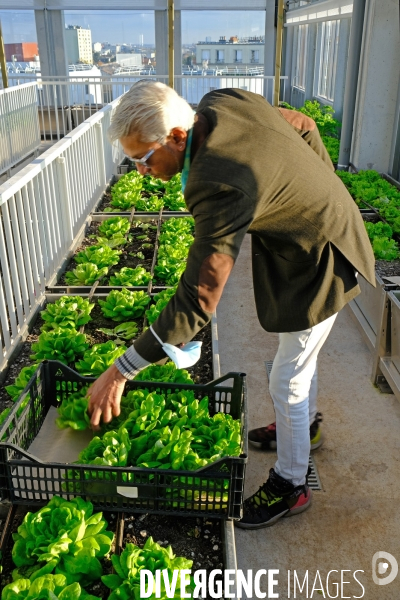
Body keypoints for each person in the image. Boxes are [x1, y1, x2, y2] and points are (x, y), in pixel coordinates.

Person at [87, 81, 375, 529]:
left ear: (178, 137)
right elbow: (303, 125)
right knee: (296, 356)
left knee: (287, 379)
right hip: (309, 236)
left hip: (324, 254)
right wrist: (312, 186)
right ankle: (303, 429)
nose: (140, 171)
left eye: (143, 159)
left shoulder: (216, 183)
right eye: (133, 162)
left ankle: (291, 484)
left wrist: (120, 370)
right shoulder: (221, 102)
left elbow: (198, 299)